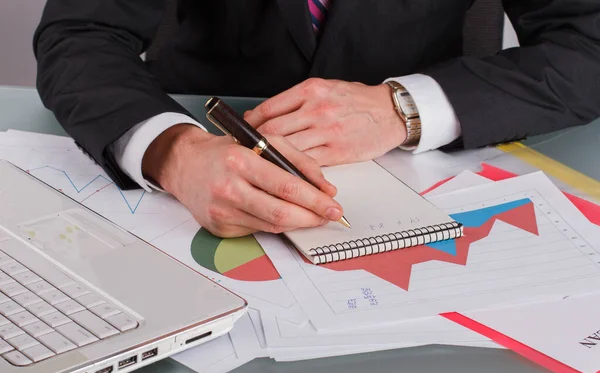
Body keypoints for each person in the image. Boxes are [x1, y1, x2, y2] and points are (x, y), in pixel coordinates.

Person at [34, 0, 600, 238]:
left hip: (421, 174)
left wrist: (403, 108)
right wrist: (173, 152)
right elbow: (79, 33)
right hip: (198, 159)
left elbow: (589, 42)